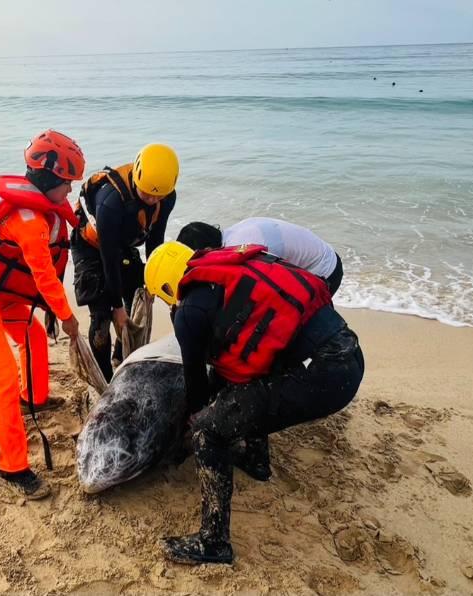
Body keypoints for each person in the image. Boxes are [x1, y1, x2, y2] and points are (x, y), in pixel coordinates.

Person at [144, 241, 364, 564]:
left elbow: (196, 389)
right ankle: (257, 460)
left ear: (166, 286)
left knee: (208, 430)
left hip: (323, 375)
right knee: (245, 387)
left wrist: (200, 420)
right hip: (348, 355)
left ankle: (214, 541)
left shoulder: (190, 311)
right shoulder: (233, 268)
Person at [0, 129, 85, 499]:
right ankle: (11, 468)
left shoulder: (41, 208)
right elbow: (43, 276)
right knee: (3, 374)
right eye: (67, 184)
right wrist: (68, 318)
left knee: (34, 337)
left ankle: (34, 399)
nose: (69, 192)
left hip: (0, 293)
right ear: (49, 178)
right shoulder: (27, 222)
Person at [71, 143, 179, 381]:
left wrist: (153, 282)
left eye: (157, 195)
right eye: (146, 193)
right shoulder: (111, 201)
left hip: (122, 245)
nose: (152, 199)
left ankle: (121, 358)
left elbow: (155, 241)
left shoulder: (166, 197)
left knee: (138, 299)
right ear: (137, 179)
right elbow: (108, 258)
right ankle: (106, 378)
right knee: (102, 318)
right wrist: (116, 307)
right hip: (91, 248)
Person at [176, 217, 343, 296]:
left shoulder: (241, 250)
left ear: (206, 249)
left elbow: (267, 290)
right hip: (322, 257)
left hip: (324, 271)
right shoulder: (234, 234)